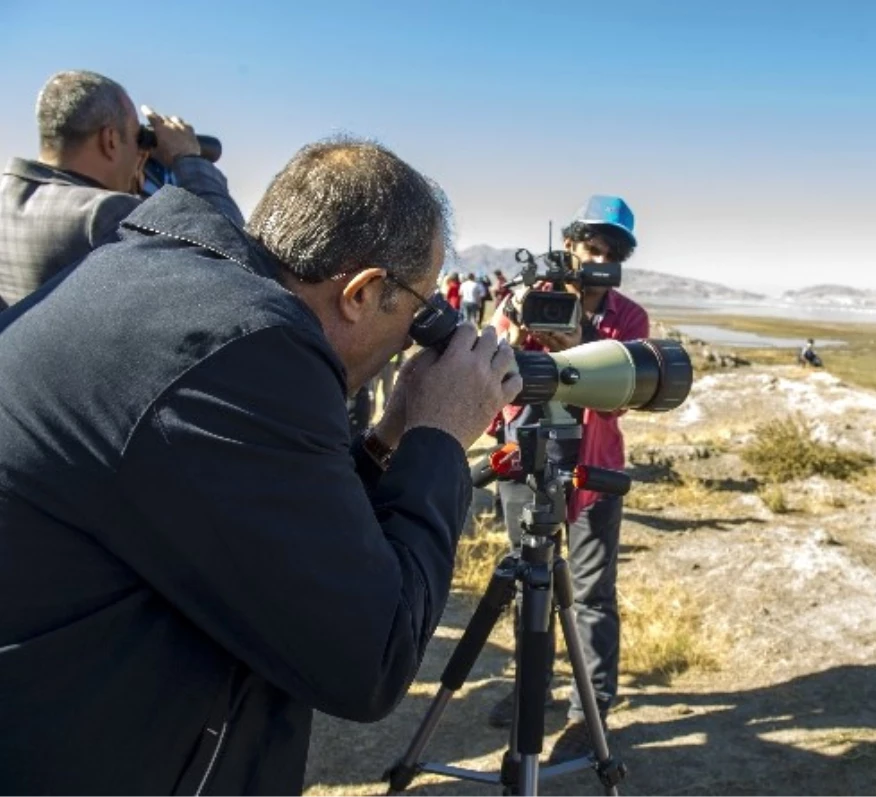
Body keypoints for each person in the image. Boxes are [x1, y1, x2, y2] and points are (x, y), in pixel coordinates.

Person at [0, 138, 521, 796]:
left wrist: (389, 437)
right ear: (362, 292)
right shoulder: (250, 350)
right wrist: (441, 437)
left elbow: (287, 534)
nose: (416, 340)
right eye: (421, 314)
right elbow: (370, 657)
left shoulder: (180, 289)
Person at [487, 195, 649, 762]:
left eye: (609, 252)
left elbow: (623, 400)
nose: (596, 259)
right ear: (570, 246)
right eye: (589, 246)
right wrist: (511, 313)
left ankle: (590, 710)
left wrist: (579, 351)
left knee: (590, 594)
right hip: (525, 455)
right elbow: (491, 364)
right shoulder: (534, 298)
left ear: (620, 258)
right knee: (528, 577)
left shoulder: (627, 318)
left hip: (593, 467)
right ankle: (530, 688)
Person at [0, 70, 242, 306]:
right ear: (111, 140)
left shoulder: (6, 197)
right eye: (138, 138)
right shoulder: (107, 212)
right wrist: (188, 157)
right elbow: (235, 264)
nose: (141, 153)